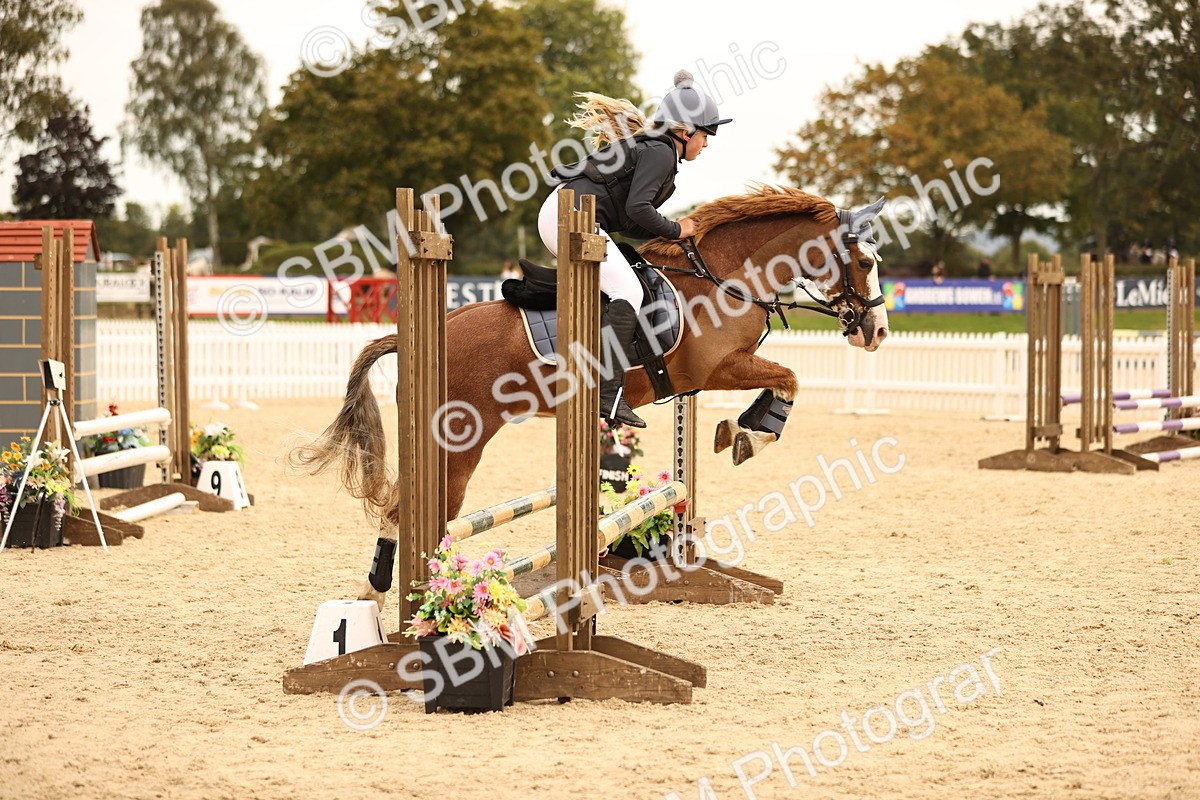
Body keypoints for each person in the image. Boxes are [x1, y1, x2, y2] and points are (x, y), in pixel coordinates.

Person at [537, 69, 731, 428]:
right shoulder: (659, 152)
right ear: (686, 131)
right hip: (568, 217)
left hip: (572, 215)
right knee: (627, 288)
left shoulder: (659, 152)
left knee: (630, 278)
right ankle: (607, 393)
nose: (706, 145)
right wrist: (676, 228)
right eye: (706, 135)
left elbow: (634, 220)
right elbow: (639, 210)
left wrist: (673, 236)